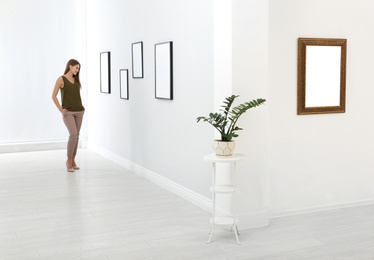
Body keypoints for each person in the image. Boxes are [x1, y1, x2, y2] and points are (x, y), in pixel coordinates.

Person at [52, 59, 85, 172]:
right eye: (76, 67)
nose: (78, 70)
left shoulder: (76, 79)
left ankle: (73, 160)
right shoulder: (61, 79)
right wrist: (61, 109)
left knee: (77, 136)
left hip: (79, 111)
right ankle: (68, 160)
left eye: (79, 68)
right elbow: (53, 96)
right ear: (70, 66)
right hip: (68, 113)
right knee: (73, 134)